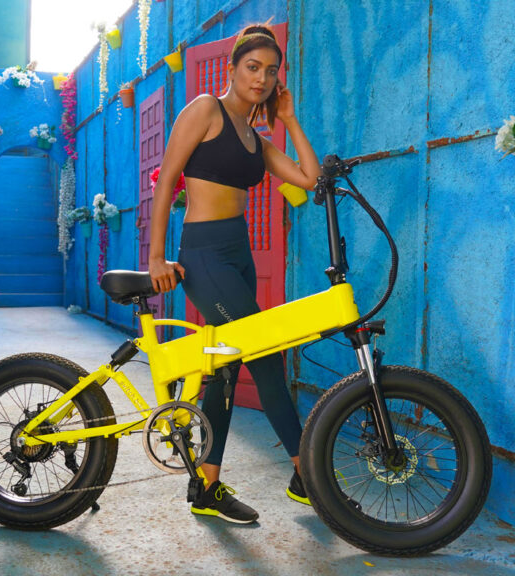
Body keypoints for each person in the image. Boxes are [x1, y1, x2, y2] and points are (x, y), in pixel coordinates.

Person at [147, 23, 321, 524]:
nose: (261, 79)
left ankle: (206, 486)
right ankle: (307, 476)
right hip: (204, 254)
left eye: (271, 71)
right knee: (265, 356)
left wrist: (288, 118)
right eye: (252, 67)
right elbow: (167, 181)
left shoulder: (257, 139)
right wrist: (156, 257)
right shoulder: (205, 109)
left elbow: (309, 178)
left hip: (238, 253)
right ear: (232, 68)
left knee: (225, 368)